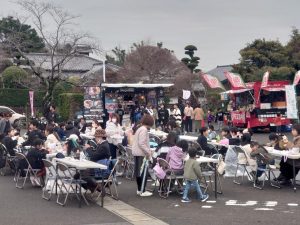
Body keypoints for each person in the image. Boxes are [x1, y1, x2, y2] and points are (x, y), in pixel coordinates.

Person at [132, 114, 154, 197]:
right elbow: (142, 143)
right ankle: (142, 190)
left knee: (138, 172)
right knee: (143, 172)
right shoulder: (144, 130)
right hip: (141, 153)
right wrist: (148, 152)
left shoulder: (139, 128)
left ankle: (139, 189)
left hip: (136, 152)